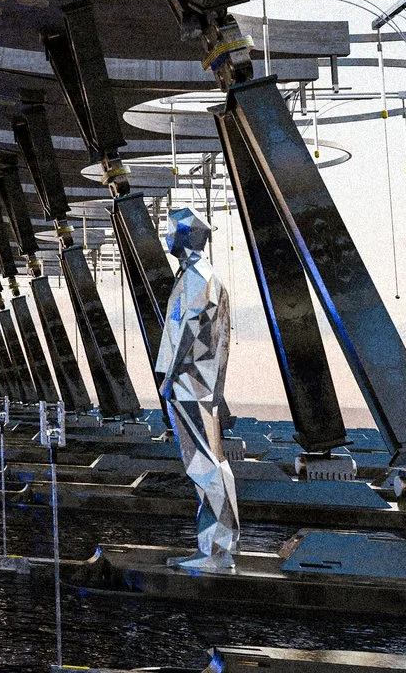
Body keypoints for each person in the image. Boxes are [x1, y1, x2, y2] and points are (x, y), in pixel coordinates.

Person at [157, 207, 239, 572]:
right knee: (212, 463)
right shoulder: (208, 277)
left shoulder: (197, 277)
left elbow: (190, 329)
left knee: (204, 466)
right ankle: (217, 547)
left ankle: (216, 552)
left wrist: (170, 375)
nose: (166, 237)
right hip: (203, 383)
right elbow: (221, 342)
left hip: (189, 382)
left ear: (186, 236)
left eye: (170, 230)